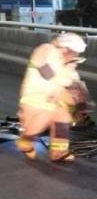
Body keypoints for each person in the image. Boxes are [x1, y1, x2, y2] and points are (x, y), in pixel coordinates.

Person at [16, 32, 88, 162]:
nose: (75, 55)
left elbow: (72, 84)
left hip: (52, 101)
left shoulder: (67, 63)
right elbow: (41, 66)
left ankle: (58, 152)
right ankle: (25, 141)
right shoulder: (46, 49)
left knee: (63, 118)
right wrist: (60, 80)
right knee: (39, 123)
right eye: (73, 51)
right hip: (35, 98)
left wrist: (79, 103)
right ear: (65, 47)